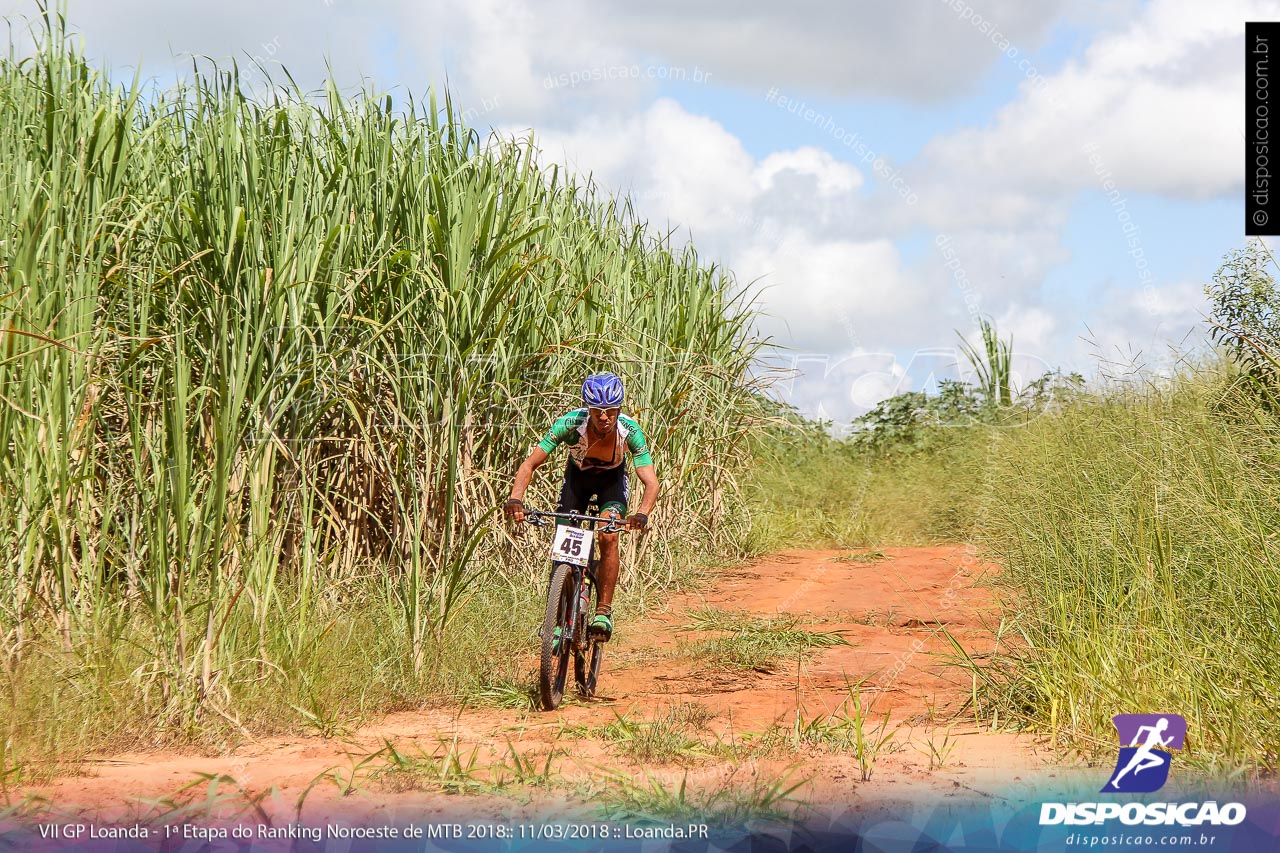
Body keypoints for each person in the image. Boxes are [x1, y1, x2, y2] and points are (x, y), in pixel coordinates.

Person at [504, 372, 659, 641]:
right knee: (563, 540)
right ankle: (555, 615)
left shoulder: (630, 431)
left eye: (611, 411)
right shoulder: (569, 424)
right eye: (598, 411)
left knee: (608, 535)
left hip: (611, 482)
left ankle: (603, 611)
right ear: (588, 409)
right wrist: (516, 498)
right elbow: (530, 464)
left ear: (619, 409)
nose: (604, 418)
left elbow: (651, 482)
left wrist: (641, 514)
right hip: (577, 481)